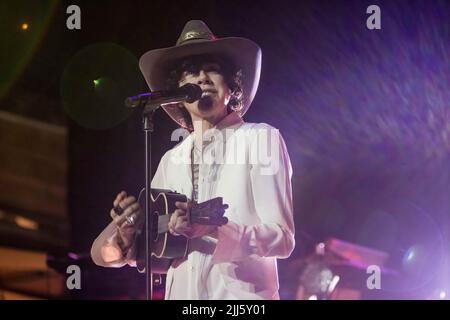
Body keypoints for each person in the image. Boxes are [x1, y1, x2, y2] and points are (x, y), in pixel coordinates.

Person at [91, 20, 295, 300]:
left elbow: (282, 238)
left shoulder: (260, 139)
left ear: (232, 86)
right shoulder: (170, 160)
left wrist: (214, 229)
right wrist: (129, 237)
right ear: (178, 94)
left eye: (212, 68)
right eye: (190, 72)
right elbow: (158, 251)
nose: (201, 78)